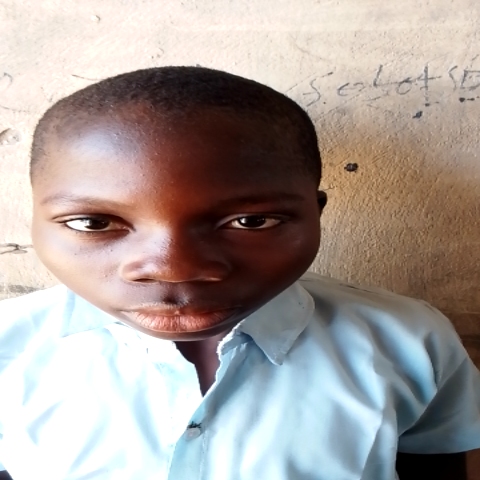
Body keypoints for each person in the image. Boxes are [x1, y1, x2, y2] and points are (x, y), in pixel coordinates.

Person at [0, 66, 478, 480]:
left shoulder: (407, 340)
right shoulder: (10, 347)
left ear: (315, 213)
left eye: (251, 222)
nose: (175, 268)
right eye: (93, 223)